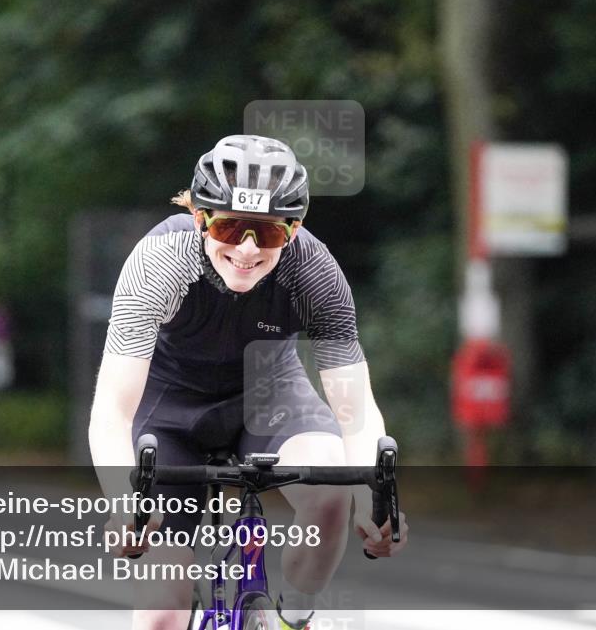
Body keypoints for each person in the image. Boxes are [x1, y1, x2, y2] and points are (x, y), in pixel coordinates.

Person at [89, 135, 408, 630]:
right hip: (169, 416)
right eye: (231, 227)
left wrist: (372, 500)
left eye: (269, 234)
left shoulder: (314, 271)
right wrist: (124, 500)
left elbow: (355, 409)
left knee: (330, 488)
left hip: (270, 398)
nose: (247, 249)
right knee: (161, 613)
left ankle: (295, 618)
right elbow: (112, 409)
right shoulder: (160, 262)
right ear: (200, 218)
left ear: (294, 230)